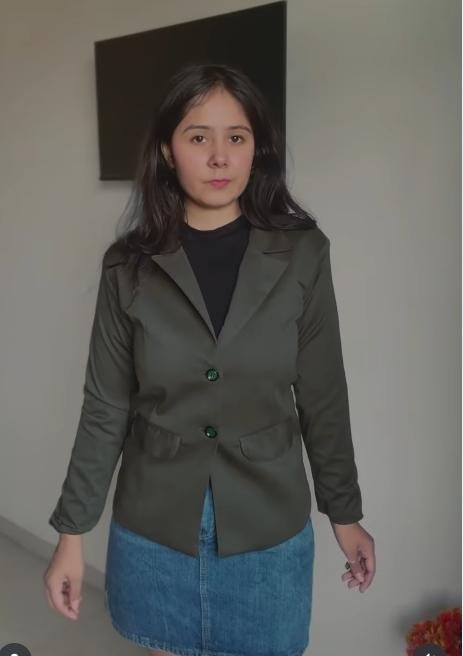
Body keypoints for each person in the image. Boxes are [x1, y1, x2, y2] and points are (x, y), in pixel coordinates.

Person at [43, 62, 376, 655]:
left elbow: (323, 394)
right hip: (154, 529)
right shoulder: (127, 267)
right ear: (167, 151)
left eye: (236, 137)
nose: (220, 157)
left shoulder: (303, 254)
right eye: (199, 137)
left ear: (256, 149)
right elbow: (106, 407)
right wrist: (72, 533)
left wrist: (344, 513)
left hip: (267, 530)